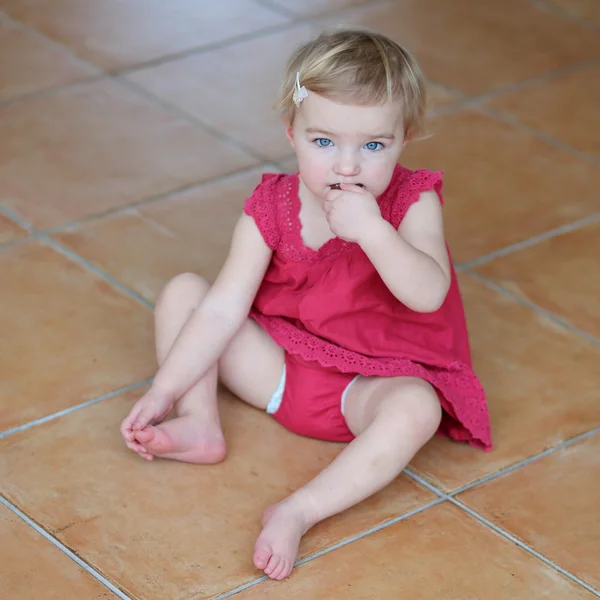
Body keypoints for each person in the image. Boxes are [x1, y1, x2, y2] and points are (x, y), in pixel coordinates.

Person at [121, 27, 492, 581]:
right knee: (185, 292)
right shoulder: (270, 204)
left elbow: (427, 291)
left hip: (364, 392)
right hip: (278, 369)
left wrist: (374, 233)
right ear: (291, 133)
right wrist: (163, 388)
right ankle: (199, 423)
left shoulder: (412, 201)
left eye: (373, 145)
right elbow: (224, 310)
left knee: (417, 407)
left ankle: (299, 509)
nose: (347, 166)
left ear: (404, 138)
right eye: (324, 143)